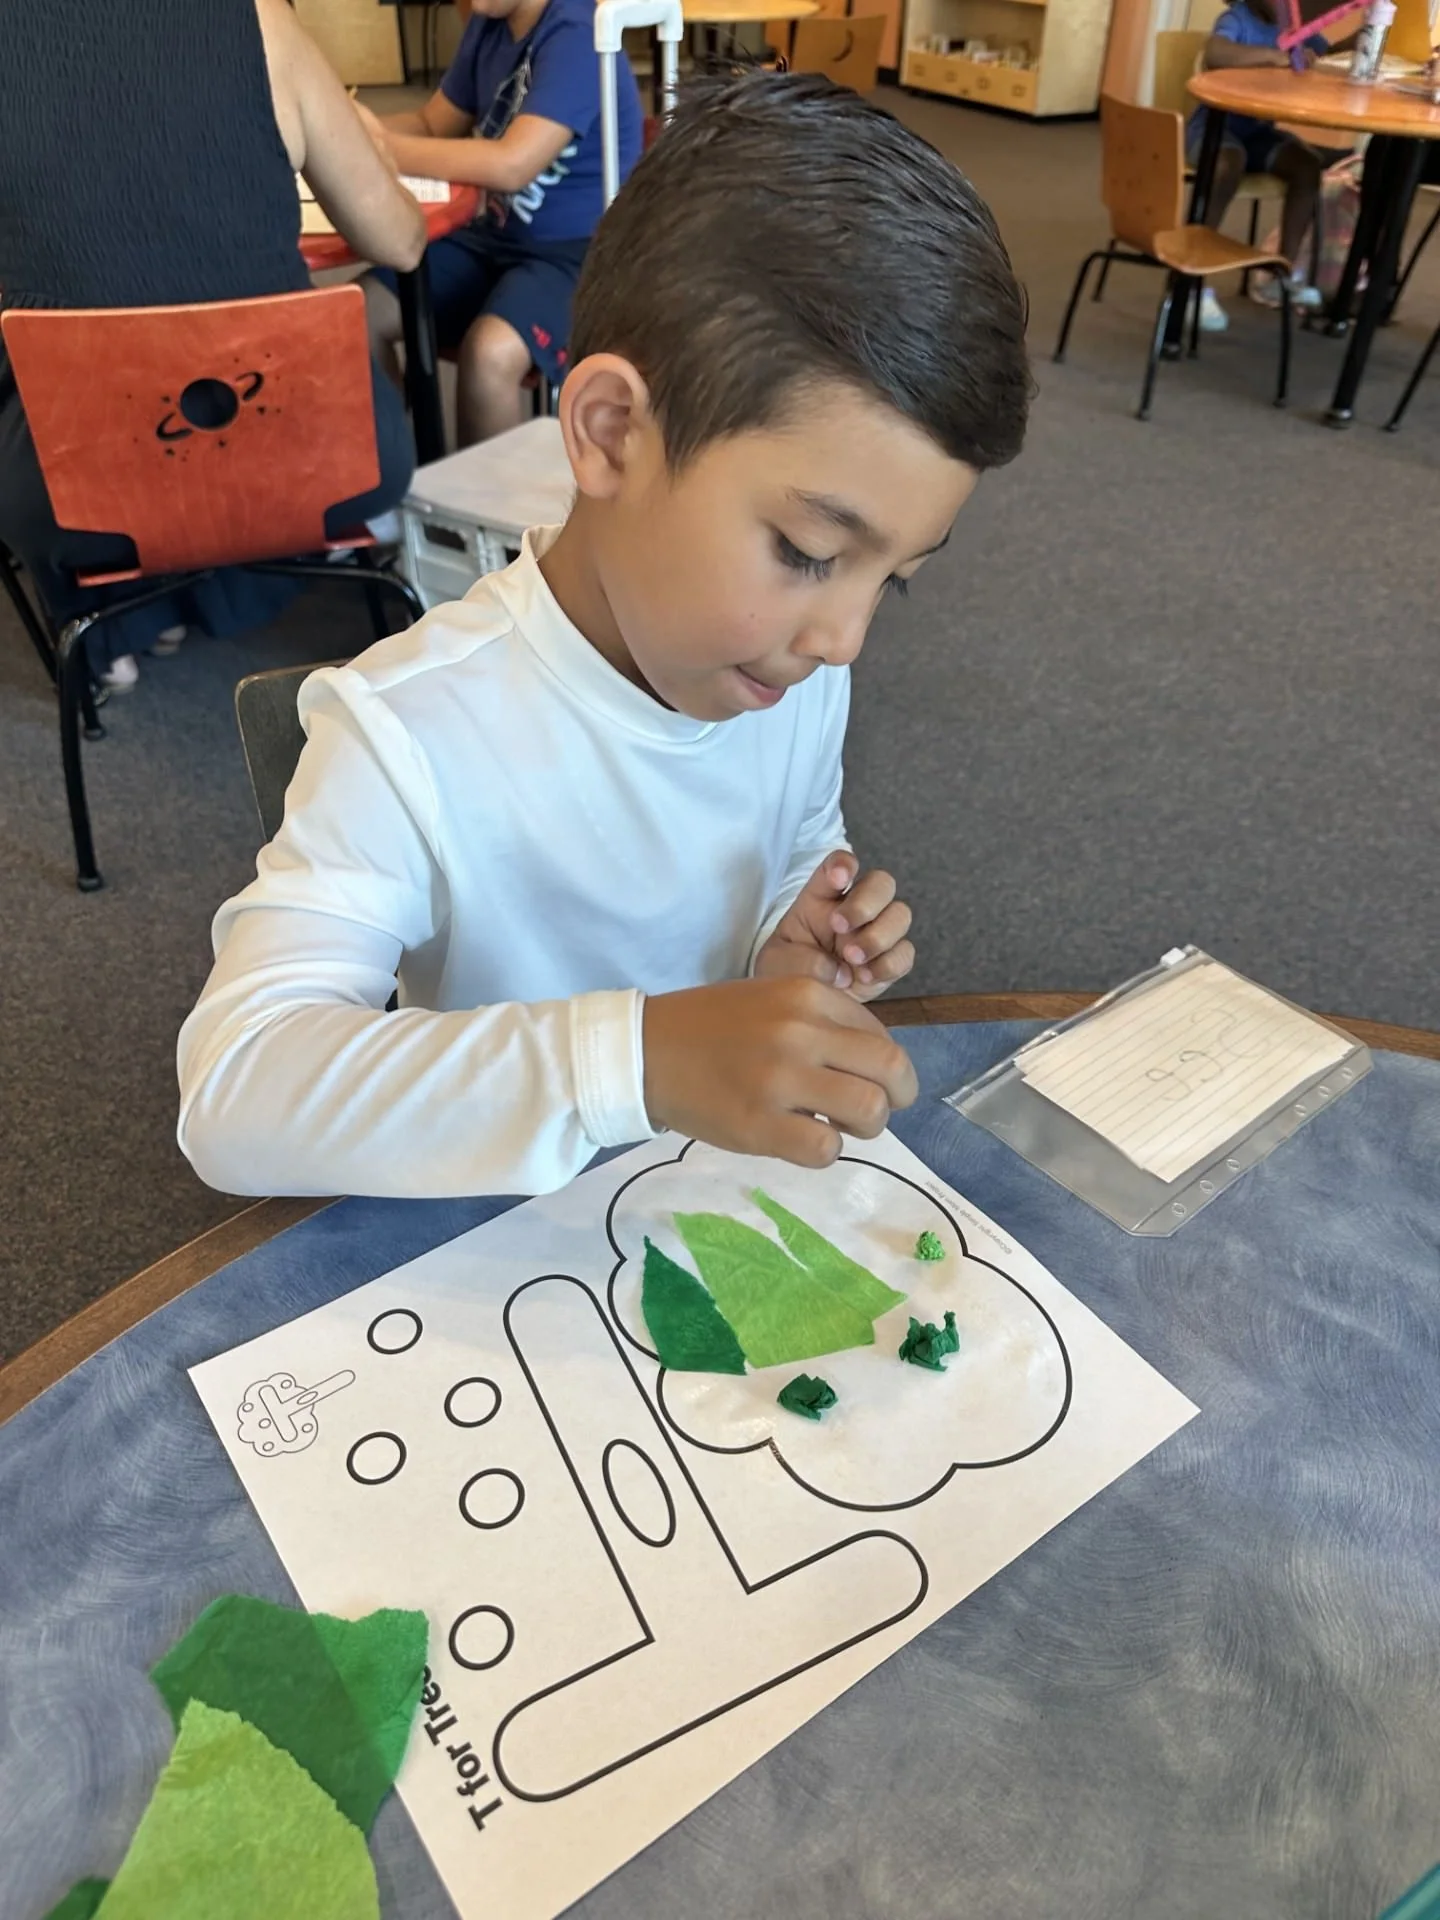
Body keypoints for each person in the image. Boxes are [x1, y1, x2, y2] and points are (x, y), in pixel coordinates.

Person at [176, 74, 1031, 1200]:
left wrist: (790, 930)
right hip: (495, 1233)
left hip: (695, 1194)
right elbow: (235, 1092)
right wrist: (632, 1060)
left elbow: (792, 836)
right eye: (810, 552)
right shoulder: (407, 729)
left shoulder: (790, 668)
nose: (845, 636)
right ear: (611, 431)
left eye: (896, 582)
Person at [0, 0, 426, 692]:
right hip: (305, 460)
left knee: (64, 384)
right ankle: (211, 589)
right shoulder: (262, 25)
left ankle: (123, 617)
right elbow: (400, 242)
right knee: (213, 423)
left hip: (69, 493)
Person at [362, 0, 643, 445]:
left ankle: (484, 512)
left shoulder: (577, 31)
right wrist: (353, 132)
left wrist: (377, 148)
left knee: (490, 354)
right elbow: (431, 123)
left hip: (578, 253)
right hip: (497, 237)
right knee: (359, 311)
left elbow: (512, 165)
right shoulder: (489, 21)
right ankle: (394, 481)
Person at [1188, 0, 1340, 334]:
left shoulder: (1293, 29)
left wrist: (1357, 41)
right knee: (1229, 164)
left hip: (1258, 134)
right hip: (1214, 130)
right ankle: (1189, 282)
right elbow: (1216, 53)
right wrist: (1274, 57)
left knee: (1307, 167)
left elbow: (1326, 55)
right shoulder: (1237, 18)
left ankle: (1279, 275)